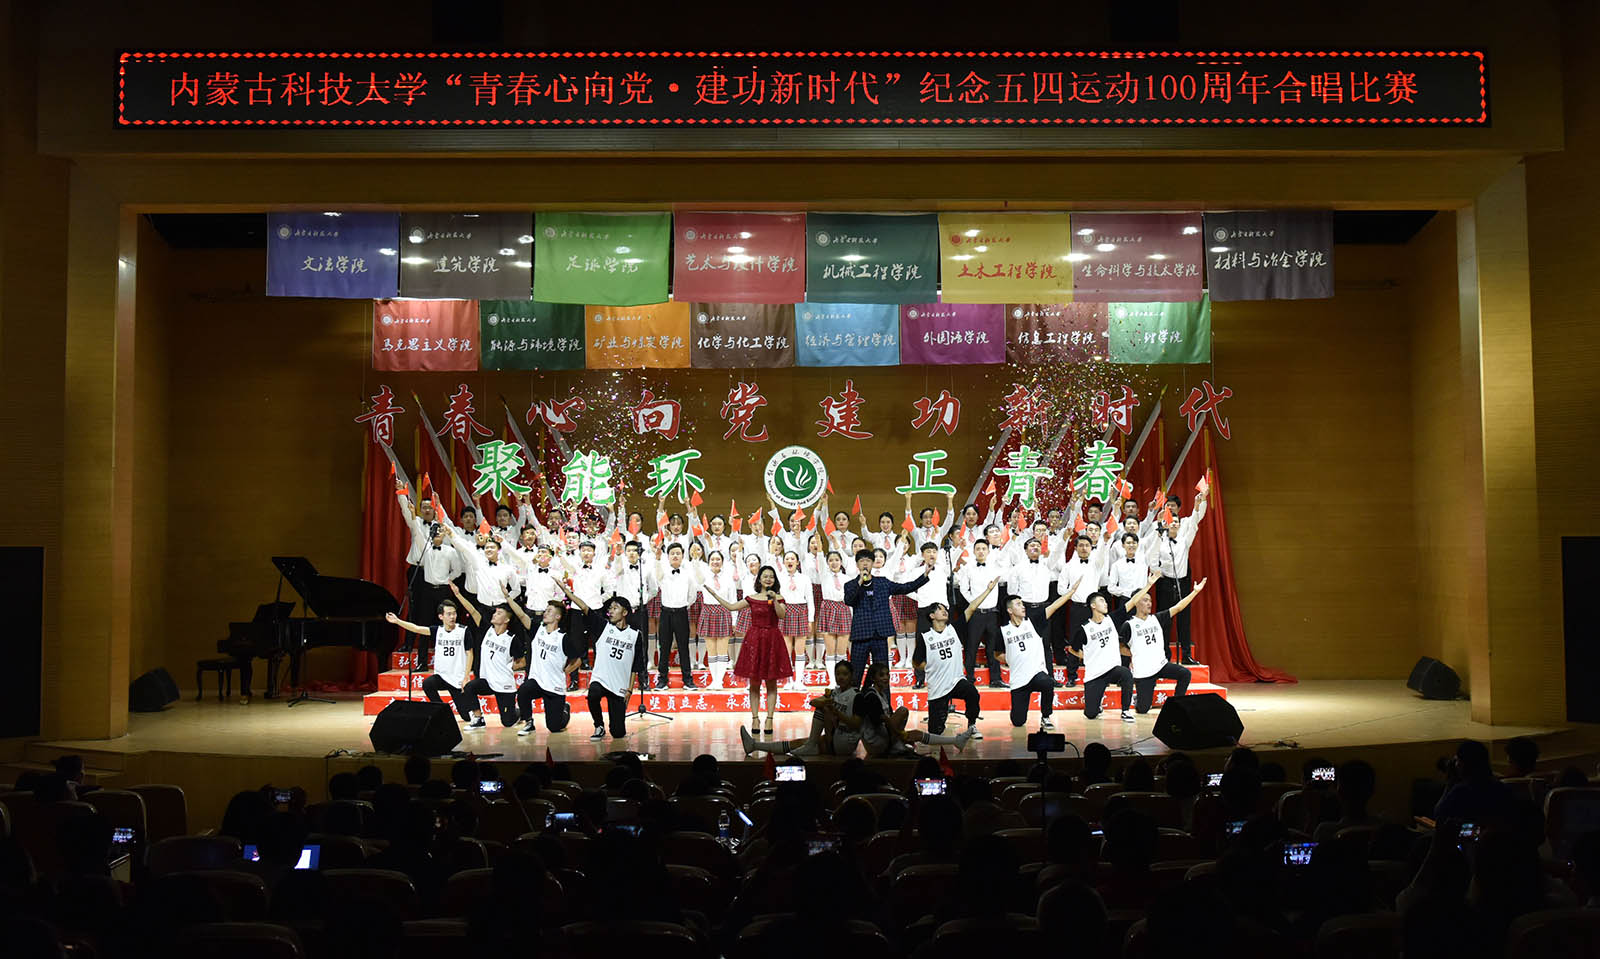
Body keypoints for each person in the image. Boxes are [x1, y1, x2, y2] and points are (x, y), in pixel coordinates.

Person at [704, 565, 790, 735]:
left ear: (775, 580)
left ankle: (770, 718)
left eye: (771, 577)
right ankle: (755, 718)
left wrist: (774, 600)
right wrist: (714, 595)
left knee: (771, 682)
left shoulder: (779, 598)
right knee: (754, 682)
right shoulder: (752, 598)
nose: (768, 579)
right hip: (755, 640)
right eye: (765, 576)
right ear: (759, 579)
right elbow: (731, 607)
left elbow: (782, 615)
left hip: (773, 639)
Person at [982, 579, 1080, 728]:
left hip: (1036, 673)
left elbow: (1054, 606)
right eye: (1018, 604)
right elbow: (997, 654)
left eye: (1022, 604)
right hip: (1018, 680)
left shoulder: (1033, 622)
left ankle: (1046, 716)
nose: (1023, 606)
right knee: (1018, 722)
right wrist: (1012, 660)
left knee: (1048, 682)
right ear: (1009, 610)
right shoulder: (1003, 631)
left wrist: (1071, 592)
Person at [1121, 573, 1208, 714]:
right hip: (1143, 671)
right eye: (1145, 600)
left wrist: (1195, 592)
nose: (1149, 603)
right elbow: (1119, 647)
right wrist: (1134, 653)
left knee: (1185, 674)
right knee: (1143, 709)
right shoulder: (1128, 625)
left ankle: (1176, 705)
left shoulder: (1156, 618)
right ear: (1136, 602)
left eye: (1150, 600)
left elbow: (1178, 607)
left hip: (1161, 665)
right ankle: (1139, 699)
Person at [739, 660, 862, 757]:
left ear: (852, 676)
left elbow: (856, 724)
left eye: (845, 674)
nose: (841, 677)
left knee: (821, 711)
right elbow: (813, 702)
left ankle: (811, 745)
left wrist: (836, 713)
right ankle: (754, 745)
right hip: (835, 737)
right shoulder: (834, 692)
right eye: (838, 674)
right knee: (798, 743)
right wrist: (826, 703)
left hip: (846, 740)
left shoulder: (857, 696)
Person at [851, 661, 972, 756]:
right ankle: (896, 744)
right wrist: (902, 735)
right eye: (881, 675)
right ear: (873, 678)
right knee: (903, 712)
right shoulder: (871, 696)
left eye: (887, 674)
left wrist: (902, 736)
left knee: (915, 734)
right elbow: (885, 721)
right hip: (875, 742)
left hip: (882, 737)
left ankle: (955, 741)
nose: (886, 678)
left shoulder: (881, 694)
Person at [843, 548, 928, 678]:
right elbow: (849, 600)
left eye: (868, 560)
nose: (865, 563)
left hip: (880, 635)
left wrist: (925, 576)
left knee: (882, 676)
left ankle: (882, 693)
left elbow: (905, 588)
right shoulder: (850, 585)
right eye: (861, 561)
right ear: (857, 564)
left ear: (872, 563)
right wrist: (859, 582)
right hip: (861, 635)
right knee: (855, 675)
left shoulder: (883, 582)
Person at [386, 599, 474, 724]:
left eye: (454, 613)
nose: (452, 617)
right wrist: (397, 621)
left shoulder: (463, 631)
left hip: (457, 678)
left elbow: (470, 654)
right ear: (441, 616)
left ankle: (473, 715)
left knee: (466, 716)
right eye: (449, 614)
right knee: (428, 684)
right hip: (442, 676)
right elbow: (416, 628)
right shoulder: (437, 631)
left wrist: (466, 677)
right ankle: (444, 712)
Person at [450, 585, 524, 730]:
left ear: (506, 620)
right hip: (487, 681)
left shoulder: (511, 639)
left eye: (499, 613)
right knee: (469, 687)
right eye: (495, 612)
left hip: (503, 684)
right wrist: (458, 595)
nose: (494, 615)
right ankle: (478, 719)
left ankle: (519, 711)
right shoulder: (487, 630)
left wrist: (508, 667)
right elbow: (472, 611)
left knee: (508, 722)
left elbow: (522, 662)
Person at [1150, 488, 1208, 664]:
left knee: (1184, 620)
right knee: (1164, 620)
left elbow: (1194, 523)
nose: (1174, 524)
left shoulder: (1184, 540)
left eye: (1176, 522)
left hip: (1182, 582)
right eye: (1171, 521)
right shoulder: (1159, 540)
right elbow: (1152, 559)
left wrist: (1197, 505)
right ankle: (1164, 655)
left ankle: (1186, 655)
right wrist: (1158, 572)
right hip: (1165, 583)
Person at [914, 603, 982, 740]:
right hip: (938, 687)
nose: (945, 611)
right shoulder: (925, 637)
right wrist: (931, 667)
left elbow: (971, 608)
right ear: (932, 615)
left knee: (972, 693)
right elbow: (916, 662)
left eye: (945, 609)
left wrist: (988, 591)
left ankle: (972, 725)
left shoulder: (954, 629)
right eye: (940, 609)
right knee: (935, 732)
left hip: (956, 680)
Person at [511, 599, 579, 736]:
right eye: (546, 610)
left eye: (549, 611)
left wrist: (565, 672)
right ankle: (529, 722)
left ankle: (565, 710)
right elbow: (522, 615)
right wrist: (508, 598)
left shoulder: (563, 638)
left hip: (554, 685)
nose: (545, 613)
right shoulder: (538, 630)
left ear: (558, 616)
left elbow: (577, 661)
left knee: (554, 727)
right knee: (523, 691)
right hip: (537, 680)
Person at [402, 522, 462, 666]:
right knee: (424, 623)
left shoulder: (450, 551)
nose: (437, 532)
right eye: (434, 530)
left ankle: (449, 662)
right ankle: (422, 663)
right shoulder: (426, 548)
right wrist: (412, 515)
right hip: (427, 590)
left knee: (446, 624)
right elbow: (417, 532)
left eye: (440, 530)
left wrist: (448, 580)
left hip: (443, 590)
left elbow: (457, 570)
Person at [1072, 591, 1136, 723]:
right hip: (1095, 674)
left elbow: (1132, 602)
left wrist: (1149, 585)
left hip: (1112, 669)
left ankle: (1125, 710)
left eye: (1106, 601)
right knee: (1090, 714)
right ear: (1093, 605)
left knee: (1126, 674)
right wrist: (1085, 657)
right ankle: (1097, 704)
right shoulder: (1085, 628)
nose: (1105, 603)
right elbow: (1072, 649)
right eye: (1101, 601)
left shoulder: (1111, 619)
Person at [586, 597, 642, 741]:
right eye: (610, 608)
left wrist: (630, 690)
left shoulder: (635, 635)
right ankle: (599, 725)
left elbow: (636, 665)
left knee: (618, 733)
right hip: (601, 679)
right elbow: (585, 609)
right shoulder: (604, 627)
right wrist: (566, 591)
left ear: (625, 612)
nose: (610, 611)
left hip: (619, 686)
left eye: (615, 608)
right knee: (593, 693)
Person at [651, 541, 698, 689]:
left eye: (678, 553)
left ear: (683, 556)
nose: (675, 556)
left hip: (681, 613)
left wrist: (683, 605)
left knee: (683, 647)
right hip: (665, 614)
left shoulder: (688, 575)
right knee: (664, 648)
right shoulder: (663, 572)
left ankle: (688, 680)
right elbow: (657, 575)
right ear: (668, 556)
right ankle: (662, 680)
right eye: (672, 553)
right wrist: (657, 558)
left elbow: (692, 595)